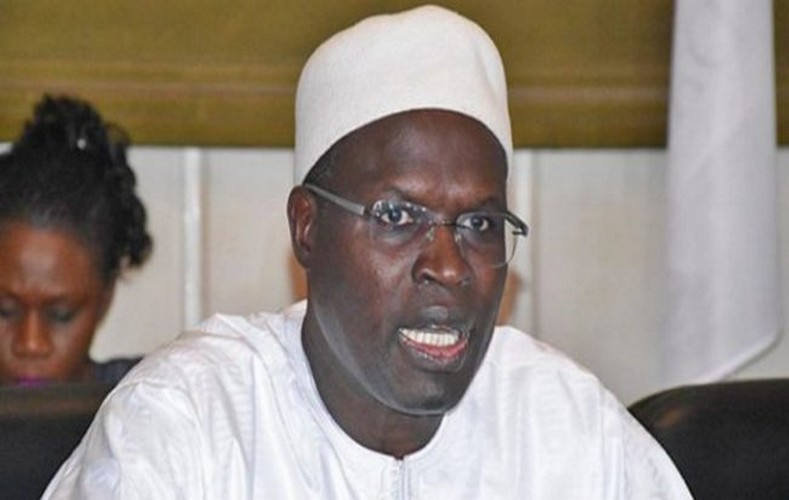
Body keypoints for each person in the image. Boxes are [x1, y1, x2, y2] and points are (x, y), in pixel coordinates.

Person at [44, 5, 691, 498]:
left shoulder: (568, 431)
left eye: (480, 223)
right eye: (398, 217)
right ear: (307, 228)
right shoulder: (189, 425)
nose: (448, 266)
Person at [0, 95, 152, 386]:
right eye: (4, 310)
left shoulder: (157, 396)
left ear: (105, 297)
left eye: (61, 315)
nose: (31, 343)